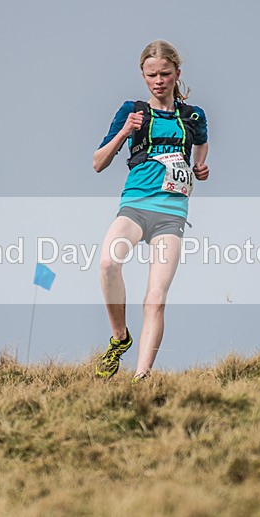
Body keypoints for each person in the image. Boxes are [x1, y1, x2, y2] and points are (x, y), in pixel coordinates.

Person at [92, 40, 209, 382]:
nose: (159, 80)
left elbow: (201, 143)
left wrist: (201, 167)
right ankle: (120, 337)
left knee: (155, 299)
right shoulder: (132, 110)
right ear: (143, 75)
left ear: (177, 74)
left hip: (171, 214)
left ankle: (141, 379)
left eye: (165, 74)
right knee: (108, 263)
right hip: (135, 206)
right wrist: (126, 131)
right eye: (151, 74)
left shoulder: (193, 116)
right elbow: (98, 163)